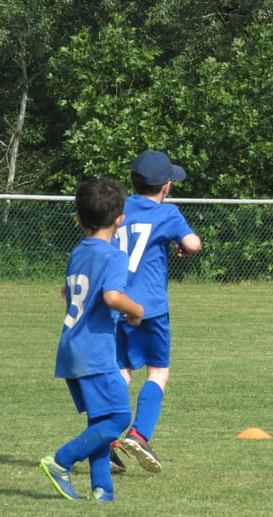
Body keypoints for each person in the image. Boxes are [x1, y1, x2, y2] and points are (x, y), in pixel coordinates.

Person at [40, 177, 144, 502]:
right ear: (120, 220)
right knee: (119, 418)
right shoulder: (114, 256)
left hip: (71, 346)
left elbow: (66, 293)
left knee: (99, 418)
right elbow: (113, 296)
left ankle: (103, 490)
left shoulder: (78, 252)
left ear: (78, 219)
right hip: (95, 351)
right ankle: (61, 460)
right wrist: (136, 310)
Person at [110, 150, 201, 474]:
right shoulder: (168, 213)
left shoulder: (118, 208)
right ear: (166, 187)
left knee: (121, 371)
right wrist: (183, 244)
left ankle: (107, 438)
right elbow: (192, 244)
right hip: (150, 308)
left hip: (114, 302)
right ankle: (139, 434)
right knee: (158, 371)